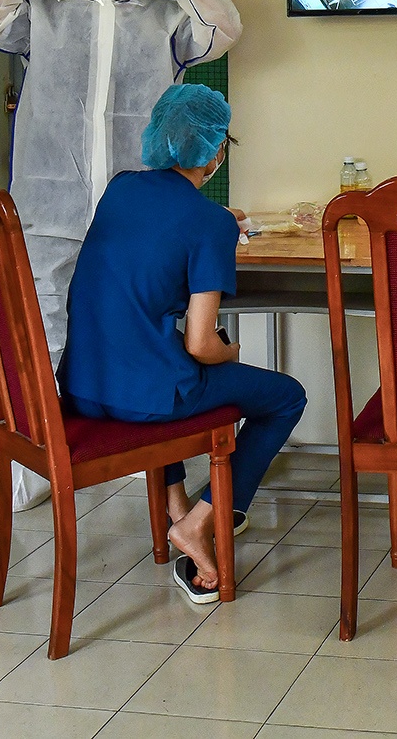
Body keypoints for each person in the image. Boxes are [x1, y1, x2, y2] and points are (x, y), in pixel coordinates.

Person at [0, 0, 241, 507]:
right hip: (52, 202)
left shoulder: (166, 16)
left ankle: (137, 453)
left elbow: (223, 31)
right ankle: (42, 458)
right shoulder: (45, 11)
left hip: (138, 214)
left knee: (144, 323)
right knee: (46, 326)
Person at [56, 84, 306, 602]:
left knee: (154, 358)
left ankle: (178, 510)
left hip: (80, 385)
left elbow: (147, 252)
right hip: (145, 401)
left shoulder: (122, 188)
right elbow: (199, 345)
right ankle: (201, 521)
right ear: (215, 151)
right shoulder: (209, 223)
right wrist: (230, 351)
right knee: (286, 397)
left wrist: (217, 223)